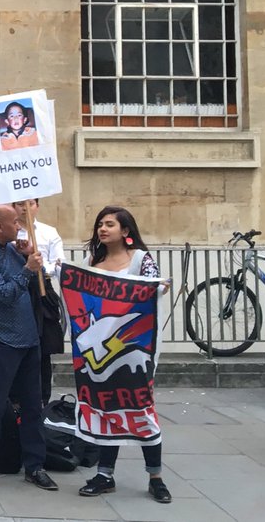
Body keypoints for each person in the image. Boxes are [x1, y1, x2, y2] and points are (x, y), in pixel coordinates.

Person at [78, 206, 172, 504]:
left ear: (126, 231)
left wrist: (159, 289)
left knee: (141, 410)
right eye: (100, 225)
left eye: (109, 225)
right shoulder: (92, 261)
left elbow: (152, 292)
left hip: (133, 352)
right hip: (99, 356)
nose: (102, 230)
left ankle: (155, 476)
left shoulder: (142, 261)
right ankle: (105, 474)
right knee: (107, 412)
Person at [0, 204, 58, 492]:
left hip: (29, 339)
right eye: (15, 222)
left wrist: (29, 257)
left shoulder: (12, 250)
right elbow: (3, 295)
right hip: (0, 341)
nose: (20, 225)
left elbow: (32, 286)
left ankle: (35, 465)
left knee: (32, 406)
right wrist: (28, 270)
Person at [14, 198, 66, 404]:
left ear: (37, 206)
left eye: (30, 203)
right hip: (18, 289)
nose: (25, 208)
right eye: (19, 204)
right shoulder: (10, 232)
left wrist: (43, 268)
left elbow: (59, 262)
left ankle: (43, 398)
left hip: (42, 289)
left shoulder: (49, 232)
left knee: (43, 348)